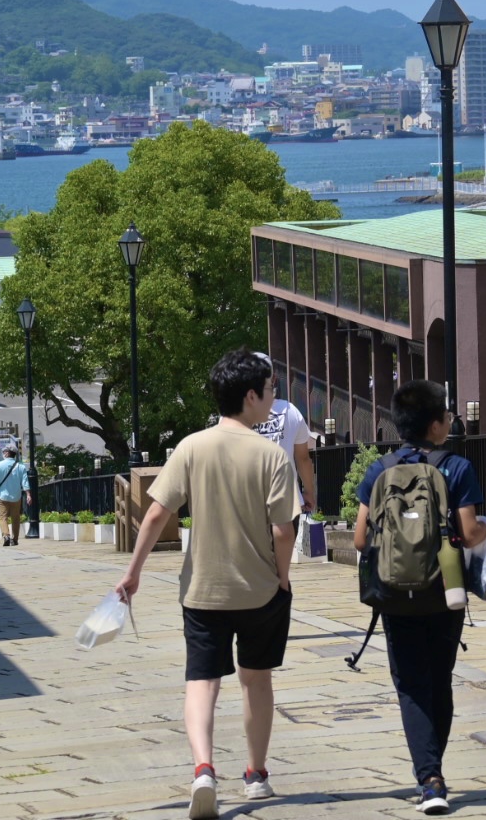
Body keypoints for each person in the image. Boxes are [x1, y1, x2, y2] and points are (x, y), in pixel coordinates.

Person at [115, 349, 300, 820]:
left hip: (202, 590)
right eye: (271, 390)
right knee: (256, 680)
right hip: (260, 590)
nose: (274, 399)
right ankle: (256, 775)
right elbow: (283, 529)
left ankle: (202, 769)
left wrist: (133, 572)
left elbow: (157, 513)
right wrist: (282, 578)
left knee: (201, 681)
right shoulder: (271, 456)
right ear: (252, 396)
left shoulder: (191, 447)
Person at [352, 380, 486, 815]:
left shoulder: (379, 470)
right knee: (439, 679)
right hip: (446, 590)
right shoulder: (456, 468)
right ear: (437, 424)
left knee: (411, 686)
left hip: (394, 594)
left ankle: (429, 778)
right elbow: (471, 533)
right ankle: (434, 770)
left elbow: (362, 539)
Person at [250, 353, 317, 512]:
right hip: (287, 501)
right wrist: (308, 491)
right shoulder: (291, 411)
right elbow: (303, 458)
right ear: (273, 379)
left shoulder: (231, 415)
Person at [0, 444, 30, 546]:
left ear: (7, 453)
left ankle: (6, 535)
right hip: (16, 497)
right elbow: (25, 482)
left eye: (4, 452)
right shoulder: (20, 466)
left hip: (3, 497)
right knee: (16, 518)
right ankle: (15, 540)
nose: (3, 454)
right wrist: (28, 494)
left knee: (2, 517)